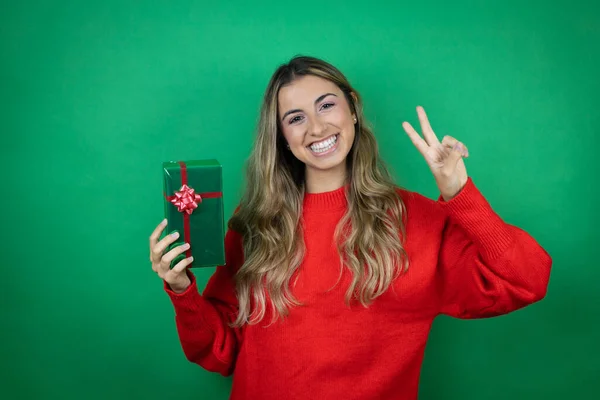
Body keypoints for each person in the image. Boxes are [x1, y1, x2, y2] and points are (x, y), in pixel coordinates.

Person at [149, 55, 552, 400]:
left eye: (327, 105)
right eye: (295, 118)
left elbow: (527, 279)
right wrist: (183, 291)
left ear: (353, 108)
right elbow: (218, 352)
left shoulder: (419, 220)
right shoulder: (255, 223)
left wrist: (459, 190)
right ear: (282, 137)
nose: (317, 128)